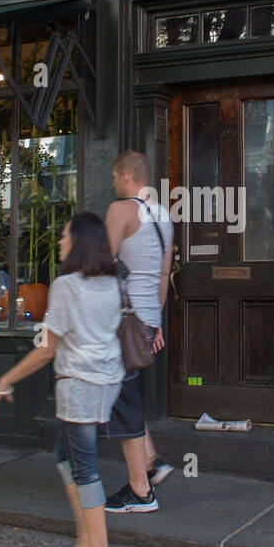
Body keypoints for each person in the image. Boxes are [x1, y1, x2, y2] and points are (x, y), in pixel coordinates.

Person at [0, 213, 123, 547]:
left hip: (80, 385)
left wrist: (4, 381)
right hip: (106, 381)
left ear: (78, 243)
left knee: (85, 467)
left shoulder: (66, 286)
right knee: (66, 455)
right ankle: (84, 541)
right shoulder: (112, 284)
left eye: (64, 237)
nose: (60, 242)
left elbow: (46, 349)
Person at [102, 151, 174, 513]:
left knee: (122, 401)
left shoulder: (121, 211)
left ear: (127, 176)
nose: (113, 185)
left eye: (115, 178)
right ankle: (151, 463)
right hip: (144, 321)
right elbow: (163, 277)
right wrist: (156, 321)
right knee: (125, 392)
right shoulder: (163, 217)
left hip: (120, 321)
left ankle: (140, 491)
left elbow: (101, 263)